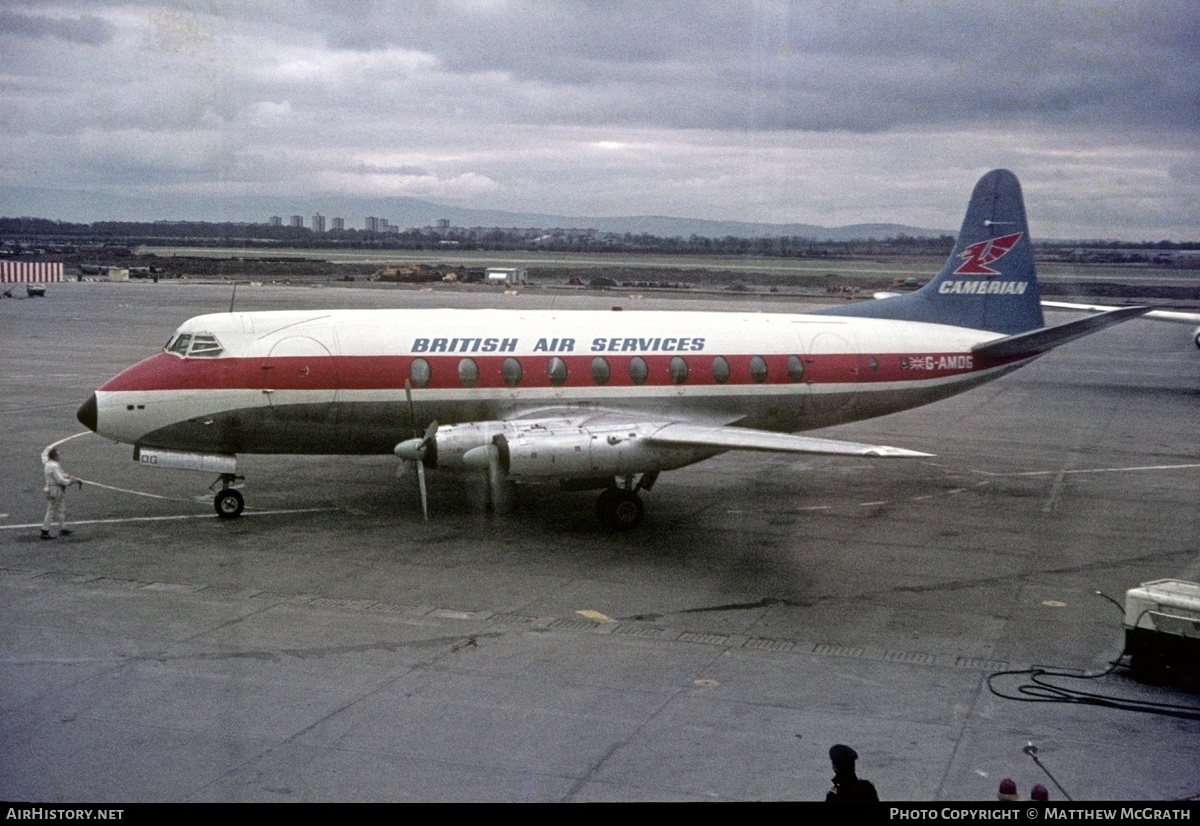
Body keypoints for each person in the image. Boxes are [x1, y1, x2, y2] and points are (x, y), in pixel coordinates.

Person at [41, 447, 80, 540]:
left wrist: (70, 477)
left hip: (53, 488)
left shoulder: (49, 464)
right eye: (58, 455)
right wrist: (72, 482)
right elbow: (60, 480)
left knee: (60, 509)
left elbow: (61, 475)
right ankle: (44, 531)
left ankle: (63, 528)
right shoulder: (54, 466)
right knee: (51, 510)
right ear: (54, 456)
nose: (59, 457)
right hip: (56, 489)